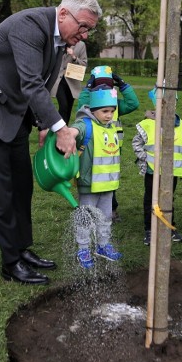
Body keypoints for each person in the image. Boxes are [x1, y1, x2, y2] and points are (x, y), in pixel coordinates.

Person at [0, 0, 102, 284]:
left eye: (90, 29)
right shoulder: (30, 25)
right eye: (83, 26)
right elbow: (30, 84)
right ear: (63, 14)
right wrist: (60, 129)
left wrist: (42, 122)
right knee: (2, 184)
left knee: (22, 181)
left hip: (14, 106)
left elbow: (42, 83)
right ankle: (10, 262)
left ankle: (22, 248)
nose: (85, 35)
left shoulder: (59, 38)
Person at [70, 85, 124, 269]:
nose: (109, 115)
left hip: (108, 185)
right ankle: (83, 248)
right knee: (85, 217)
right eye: (105, 111)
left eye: (112, 111)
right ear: (93, 110)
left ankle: (103, 245)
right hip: (89, 184)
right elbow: (76, 130)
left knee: (105, 217)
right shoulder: (86, 125)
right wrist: (71, 133)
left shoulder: (110, 127)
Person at [76, 65, 139, 222]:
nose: (109, 114)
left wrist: (123, 85)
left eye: (108, 83)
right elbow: (81, 105)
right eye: (97, 83)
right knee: (96, 175)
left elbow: (133, 104)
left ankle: (111, 208)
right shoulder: (92, 104)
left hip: (113, 149)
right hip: (95, 148)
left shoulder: (113, 104)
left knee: (109, 178)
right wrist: (87, 88)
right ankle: (94, 209)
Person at [132, 86, 182, 246]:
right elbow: (136, 143)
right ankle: (149, 230)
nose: (169, 107)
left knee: (168, 198)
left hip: (172, 171)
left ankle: (168, 228)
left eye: (173, 103)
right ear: (157, 104)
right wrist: (145, 158)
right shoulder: (148, 124)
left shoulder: (179, 123)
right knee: (151, 199)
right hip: (153, 171)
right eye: (164, 103)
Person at [51, 40, 87, 123]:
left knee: (69, 108)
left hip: (72, 81)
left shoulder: (81, 45)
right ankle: (58, 129)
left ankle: (64, 131)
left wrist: (74, 57)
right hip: (58, 79)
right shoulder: (58, 41)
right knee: (63, 106)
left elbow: (84, 64)